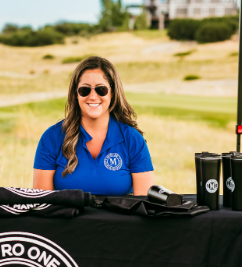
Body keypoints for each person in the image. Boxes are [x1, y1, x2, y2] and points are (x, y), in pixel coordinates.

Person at [33, 56, 153, 196]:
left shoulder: (133, 139)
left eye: (101, 89)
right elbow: (42, 204)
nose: (93, 96)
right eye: (85, 90)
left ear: (112, 93)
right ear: (76, 94)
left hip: (118, 218)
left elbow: (143, 205)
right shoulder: (51, 138)